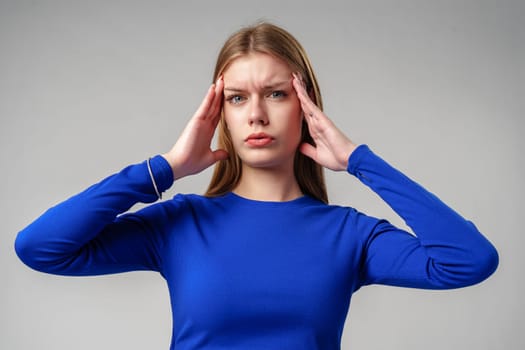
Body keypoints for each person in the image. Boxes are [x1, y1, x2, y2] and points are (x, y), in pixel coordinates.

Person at [15, 22, 498, 349]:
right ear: (219, 112)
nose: (257, 114)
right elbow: (40, 248)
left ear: (306, 107)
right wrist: (164, 168)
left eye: (275, 94)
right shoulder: (181, 223)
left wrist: (358, 160)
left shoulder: (349, 235)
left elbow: (469, 261)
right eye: (237, 97)